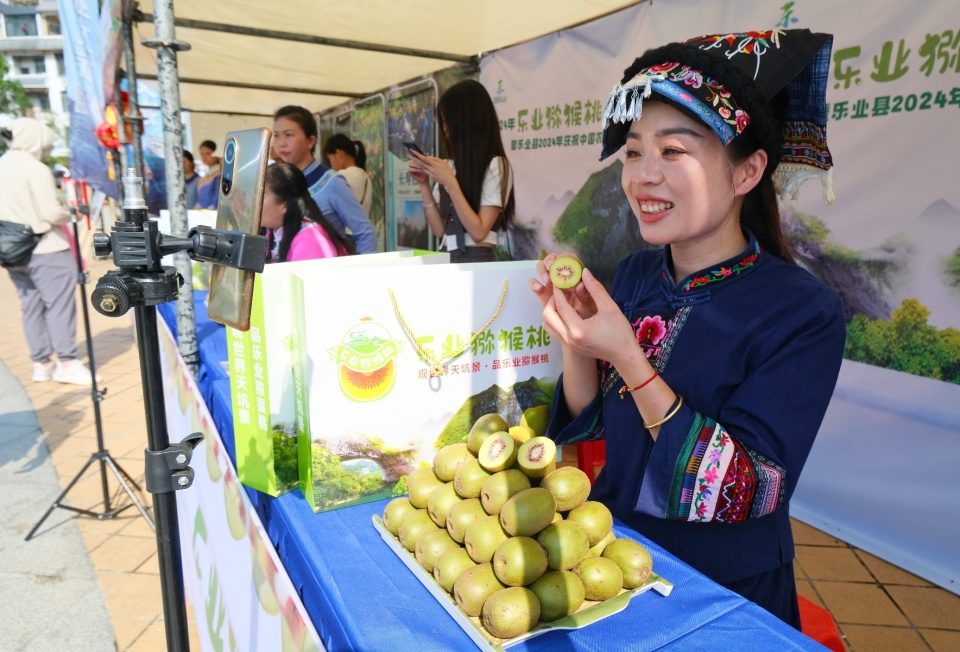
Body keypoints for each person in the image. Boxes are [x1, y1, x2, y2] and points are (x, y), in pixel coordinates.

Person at [528, 29, 846, 628]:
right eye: (632, 151)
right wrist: (576, 342)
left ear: (747, 171)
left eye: (674, 152)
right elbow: (593, 417)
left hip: (724, 584)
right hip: (610, 554)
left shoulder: (803, 311)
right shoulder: (636, 271)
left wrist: (627, 355)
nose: (642, 176)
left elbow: (747, 488)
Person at [0, 118, 99, 385]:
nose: (47, 149)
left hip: (10, 250)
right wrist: (71, 213)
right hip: (45, 247)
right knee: (59, 306)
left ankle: (41, 363)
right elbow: (50, 212)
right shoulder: (35, 168)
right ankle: (67, 362)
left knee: (30, 306)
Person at [408, 79, 515, 263]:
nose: (446, 130)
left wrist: (450, 182)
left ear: (466, 122)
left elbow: (479, 232)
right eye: (443, 122)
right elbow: (440, 231)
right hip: (445, 258)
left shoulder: (496, 165)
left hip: (477, 259)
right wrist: (423, 184)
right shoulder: (449, 165)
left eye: (448, 121)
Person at [272, 106, 378, 253]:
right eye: (276, 135)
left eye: (289, 135)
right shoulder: (276, 180)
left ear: (310, 141)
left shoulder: (331, 182)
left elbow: (365, 231)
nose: (281, 142)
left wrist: (362, 271)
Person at [260, 162, 354, 263]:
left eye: (262, 195)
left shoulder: (309, 241)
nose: (256, 201)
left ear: (285, 205)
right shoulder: (273, 235)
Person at [322, 134, 372, 215]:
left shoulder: (342, 176)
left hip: (344, 227)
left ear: (338, 153)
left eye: (330, 159)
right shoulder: (366, 178)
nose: (331, 164)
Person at [195, 139, 221, 209]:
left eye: (208, 153)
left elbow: (217, 197)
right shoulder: (206, 175)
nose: (204, 157)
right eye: (202, 154)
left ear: (216, 154)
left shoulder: (220, 174)